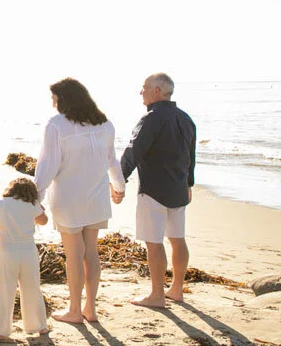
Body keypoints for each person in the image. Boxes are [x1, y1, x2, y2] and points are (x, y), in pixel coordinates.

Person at [33, 78, 125, 325]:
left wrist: (35, 197)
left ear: (64, 100)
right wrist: (119, 187)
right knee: (91, 252)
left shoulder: (56, 125)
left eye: (55, 100)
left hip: (69, 197)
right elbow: (112, 160)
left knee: (74, 254)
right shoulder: (104, 123)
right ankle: (90, 309)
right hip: (96, 196)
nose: (53, 105)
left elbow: (47, 164)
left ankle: (74, 310)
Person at [119, 73, 197, 307]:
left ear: (156, 91)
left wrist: (119, 181)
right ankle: (176, 289)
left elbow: (133, 152)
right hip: (178, 189)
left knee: (154, 243)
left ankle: (156, 295)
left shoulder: (151, 119)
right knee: (177, 239)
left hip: (153, 189)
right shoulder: (186, 119)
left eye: (144, 88)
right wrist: (189, 184)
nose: (140, 92)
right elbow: (190, 157)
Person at [0, 178, 50, 342]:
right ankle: (39, 325)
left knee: (4, 289)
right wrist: (40, 209)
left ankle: (0, 330)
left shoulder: (0, 202)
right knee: (32, 287)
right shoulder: (31, 204)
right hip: (28, 250)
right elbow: (43, 221)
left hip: (7, 250)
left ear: (11, 189)